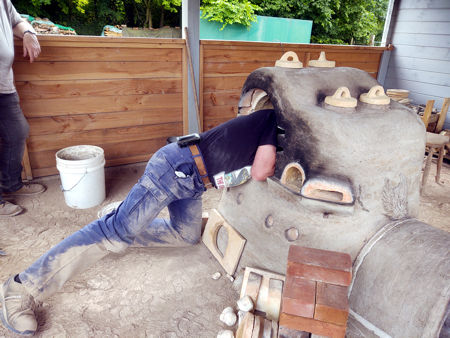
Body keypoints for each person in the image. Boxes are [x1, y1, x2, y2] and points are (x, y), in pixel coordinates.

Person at [0, 108, 278, 335]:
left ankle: (119, 219)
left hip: (192, 182)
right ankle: (21, 287)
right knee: (115, 235)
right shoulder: (270, 119)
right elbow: (261, 171)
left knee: (185, 236)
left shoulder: (270, 129)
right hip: (177, 167)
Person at [0, 0, 46, 217]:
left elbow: (17, 21)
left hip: (4, 84)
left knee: (18, 131)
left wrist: (29, 33)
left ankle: (11, 183)